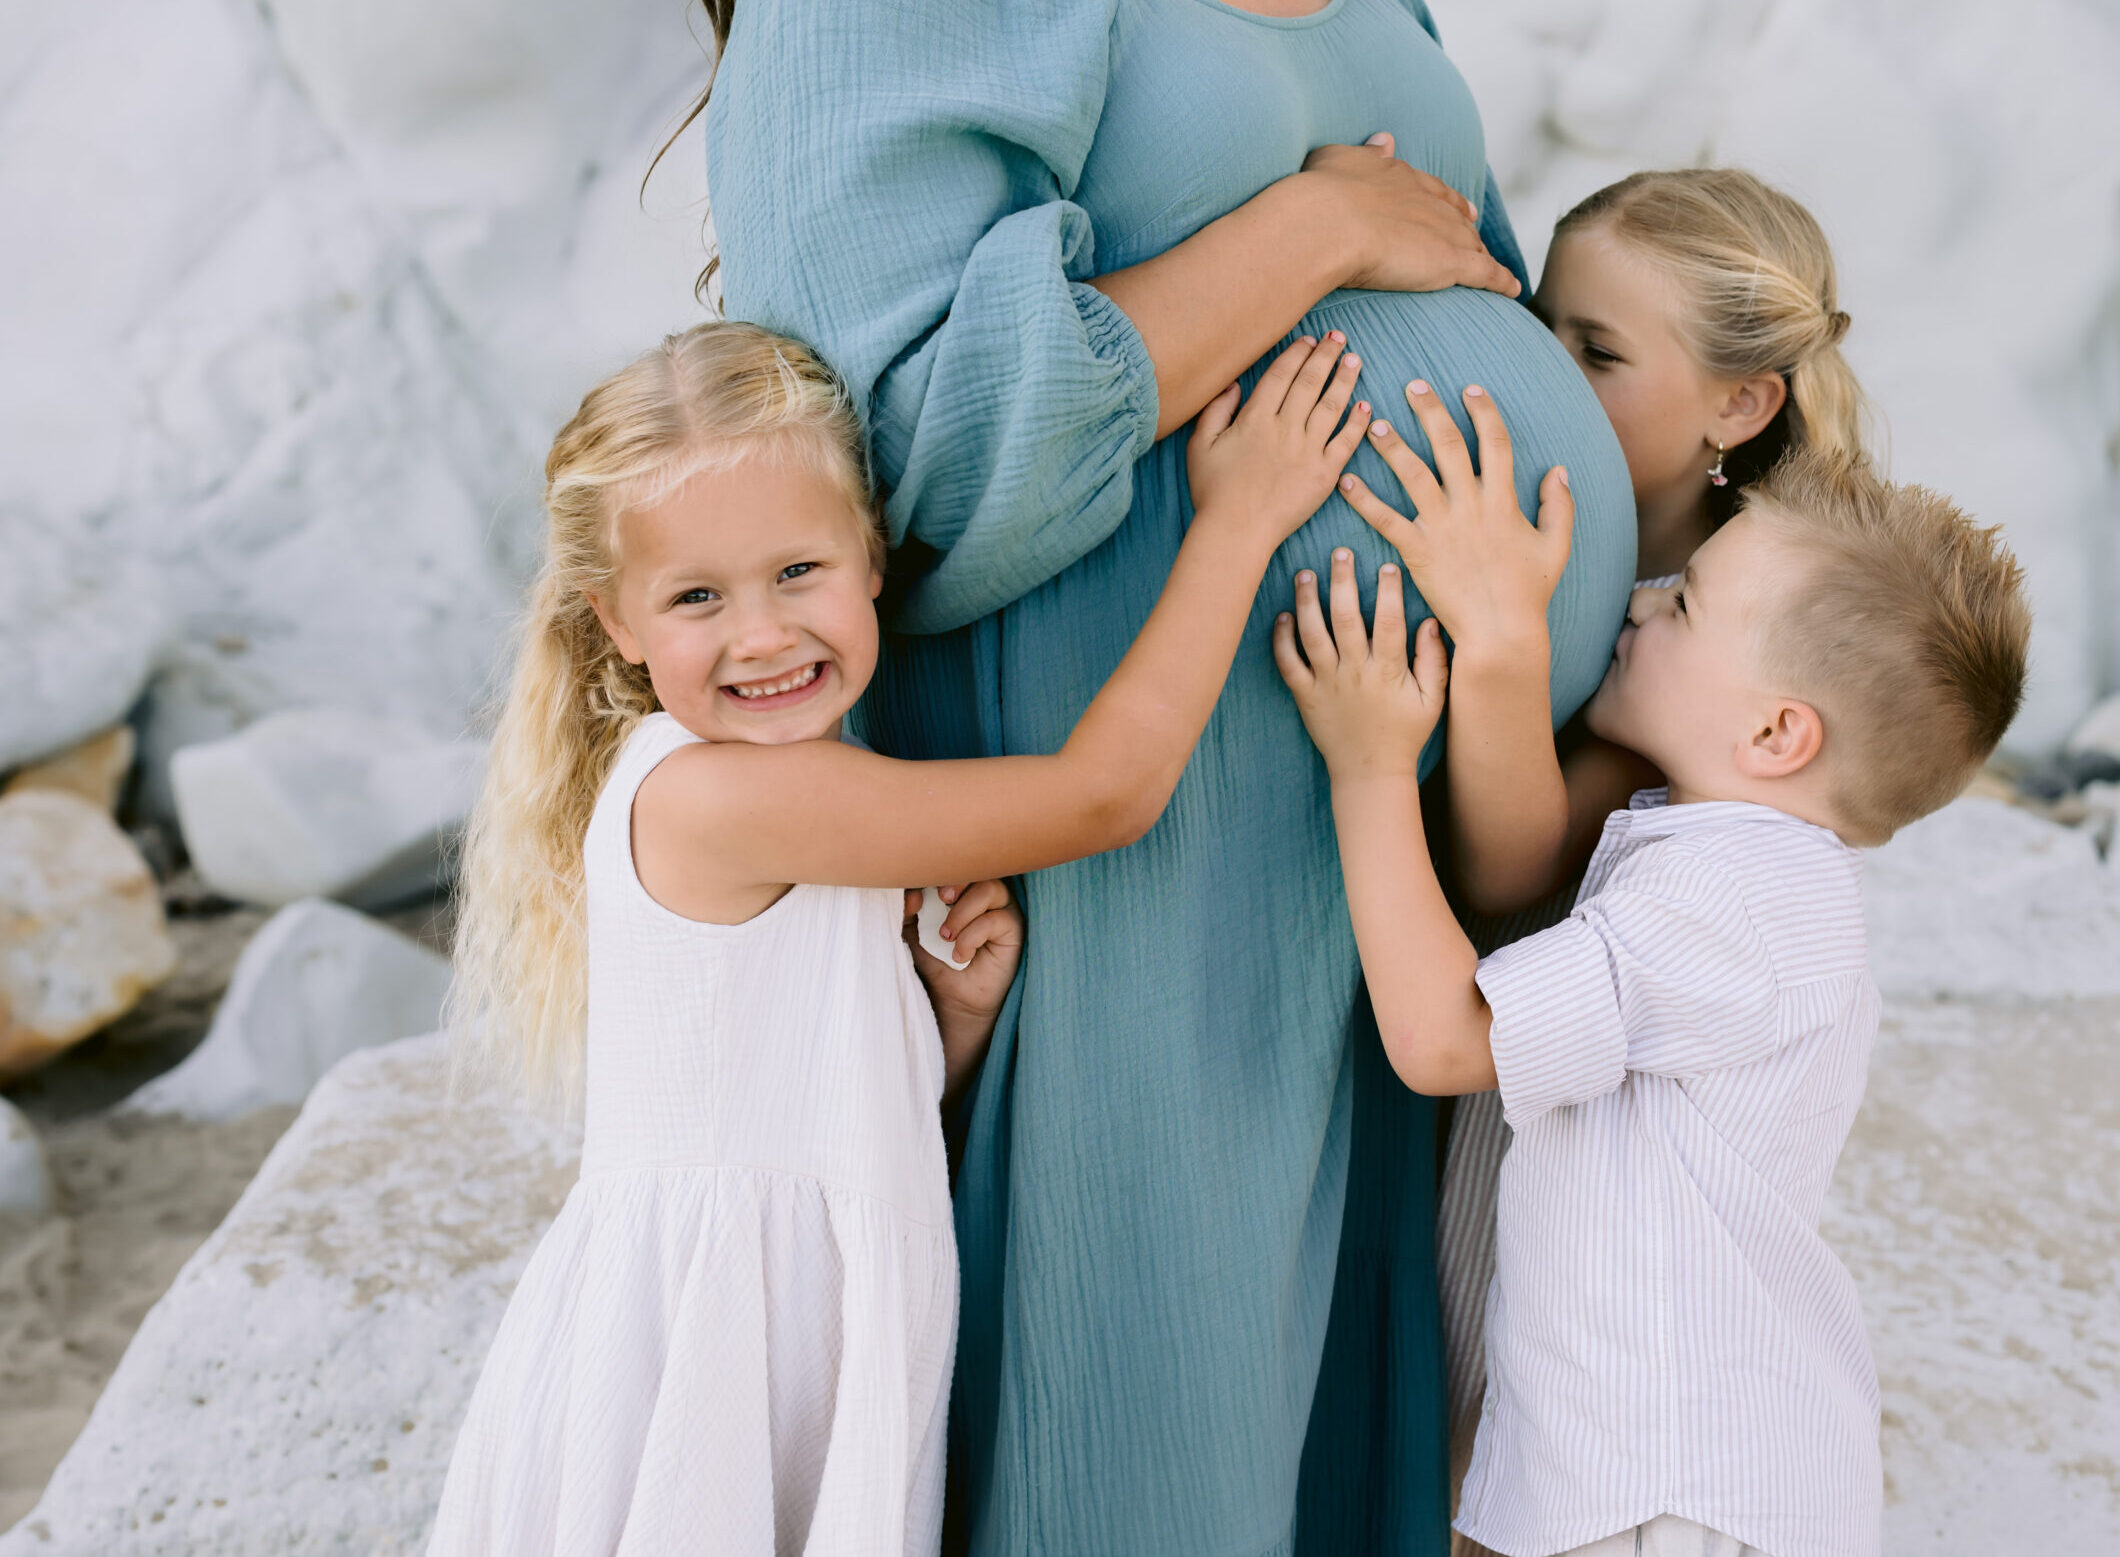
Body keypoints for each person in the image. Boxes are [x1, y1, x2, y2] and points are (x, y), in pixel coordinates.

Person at [701, 5, 1639, 1547]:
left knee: (1343, 1364)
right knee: (1152, 1373)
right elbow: (906, 457)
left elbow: (1473, 276)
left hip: (1390, 814)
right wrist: (1314, 228)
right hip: (1143, 825)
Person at [426, 321, 1375, 1555]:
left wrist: (944, 1029)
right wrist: (1237, 522)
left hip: (781, 1320)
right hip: (710, 1350)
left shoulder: (796, 788)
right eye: (697, 597)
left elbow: (805, 1109)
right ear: (616, 621)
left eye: (797, 572)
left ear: (869, 557)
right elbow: (1103, 796)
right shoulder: (719, 794)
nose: (760, 634)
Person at [1277, 397, 2029, 1555]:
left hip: (1670, 1486)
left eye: (1681, 606)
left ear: (1776, 735)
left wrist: (1368, 766)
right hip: (1662, 1470)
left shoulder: (1727, 899)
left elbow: (1440, 1039)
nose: (1638, 605)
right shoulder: (1737, 868)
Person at [1428, 169, 1877, 1521]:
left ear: (1739, 407)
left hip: (1555, 1080)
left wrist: (1501, 643)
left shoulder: (1698, 654)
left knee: (1516, 1425)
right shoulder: (1604, 555)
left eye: (1599, 353)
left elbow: (1513, 868)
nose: (1547, 373)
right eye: (1540, 327)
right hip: (1520, 1043)